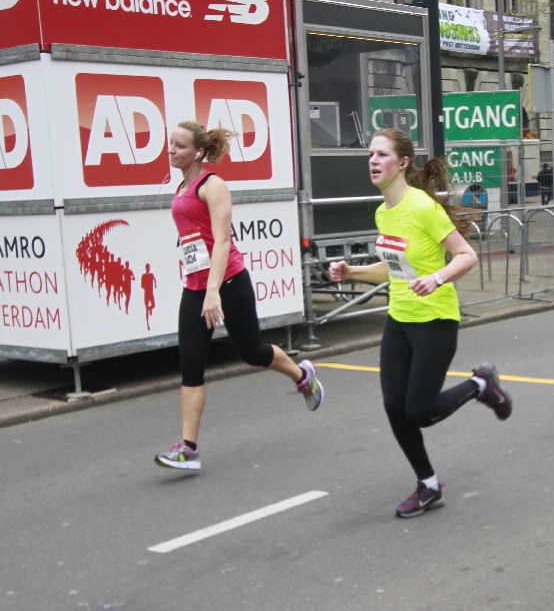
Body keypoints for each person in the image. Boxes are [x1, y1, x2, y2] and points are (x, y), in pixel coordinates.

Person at [328, 128, 512, 518]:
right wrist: (352, 272)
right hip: (399, 319)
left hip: (435, 321)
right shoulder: (384, 212)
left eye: (382, 155)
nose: (373, 161)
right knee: (394, 406)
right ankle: (428, 485)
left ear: (403, 163)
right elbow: (394, 268)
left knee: (419, 411)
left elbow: (466, 255)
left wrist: (437, 278)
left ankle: (480, 384)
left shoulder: (423, 207)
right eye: (370, 154)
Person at [155, 121, 324, 472]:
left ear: (198, 152)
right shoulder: (182, 186)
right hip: (195, 286)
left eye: (179, 145)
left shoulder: (212, 185)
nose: (171, 150)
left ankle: (302, 376)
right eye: (170, 143)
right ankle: (188, 448)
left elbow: (222, 241)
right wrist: (200, 285)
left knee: (252, 352)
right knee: (191, 363)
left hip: (229, 283)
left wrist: (213, 291)